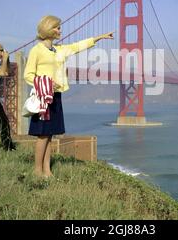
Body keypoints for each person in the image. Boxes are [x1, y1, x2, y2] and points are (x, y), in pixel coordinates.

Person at [24, 15, 113, 178]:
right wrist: (47, 83)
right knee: (42, 135)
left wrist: (99, 38)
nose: (60, 30)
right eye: (57, 27)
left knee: (50, 135)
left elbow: (77, 46)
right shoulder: (36, 50)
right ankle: (37, 171)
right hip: (43, 96)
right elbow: (28, 75)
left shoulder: (59, 49)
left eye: (59, 27)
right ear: (48, 29)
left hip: (56, 96)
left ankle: (47, 170)